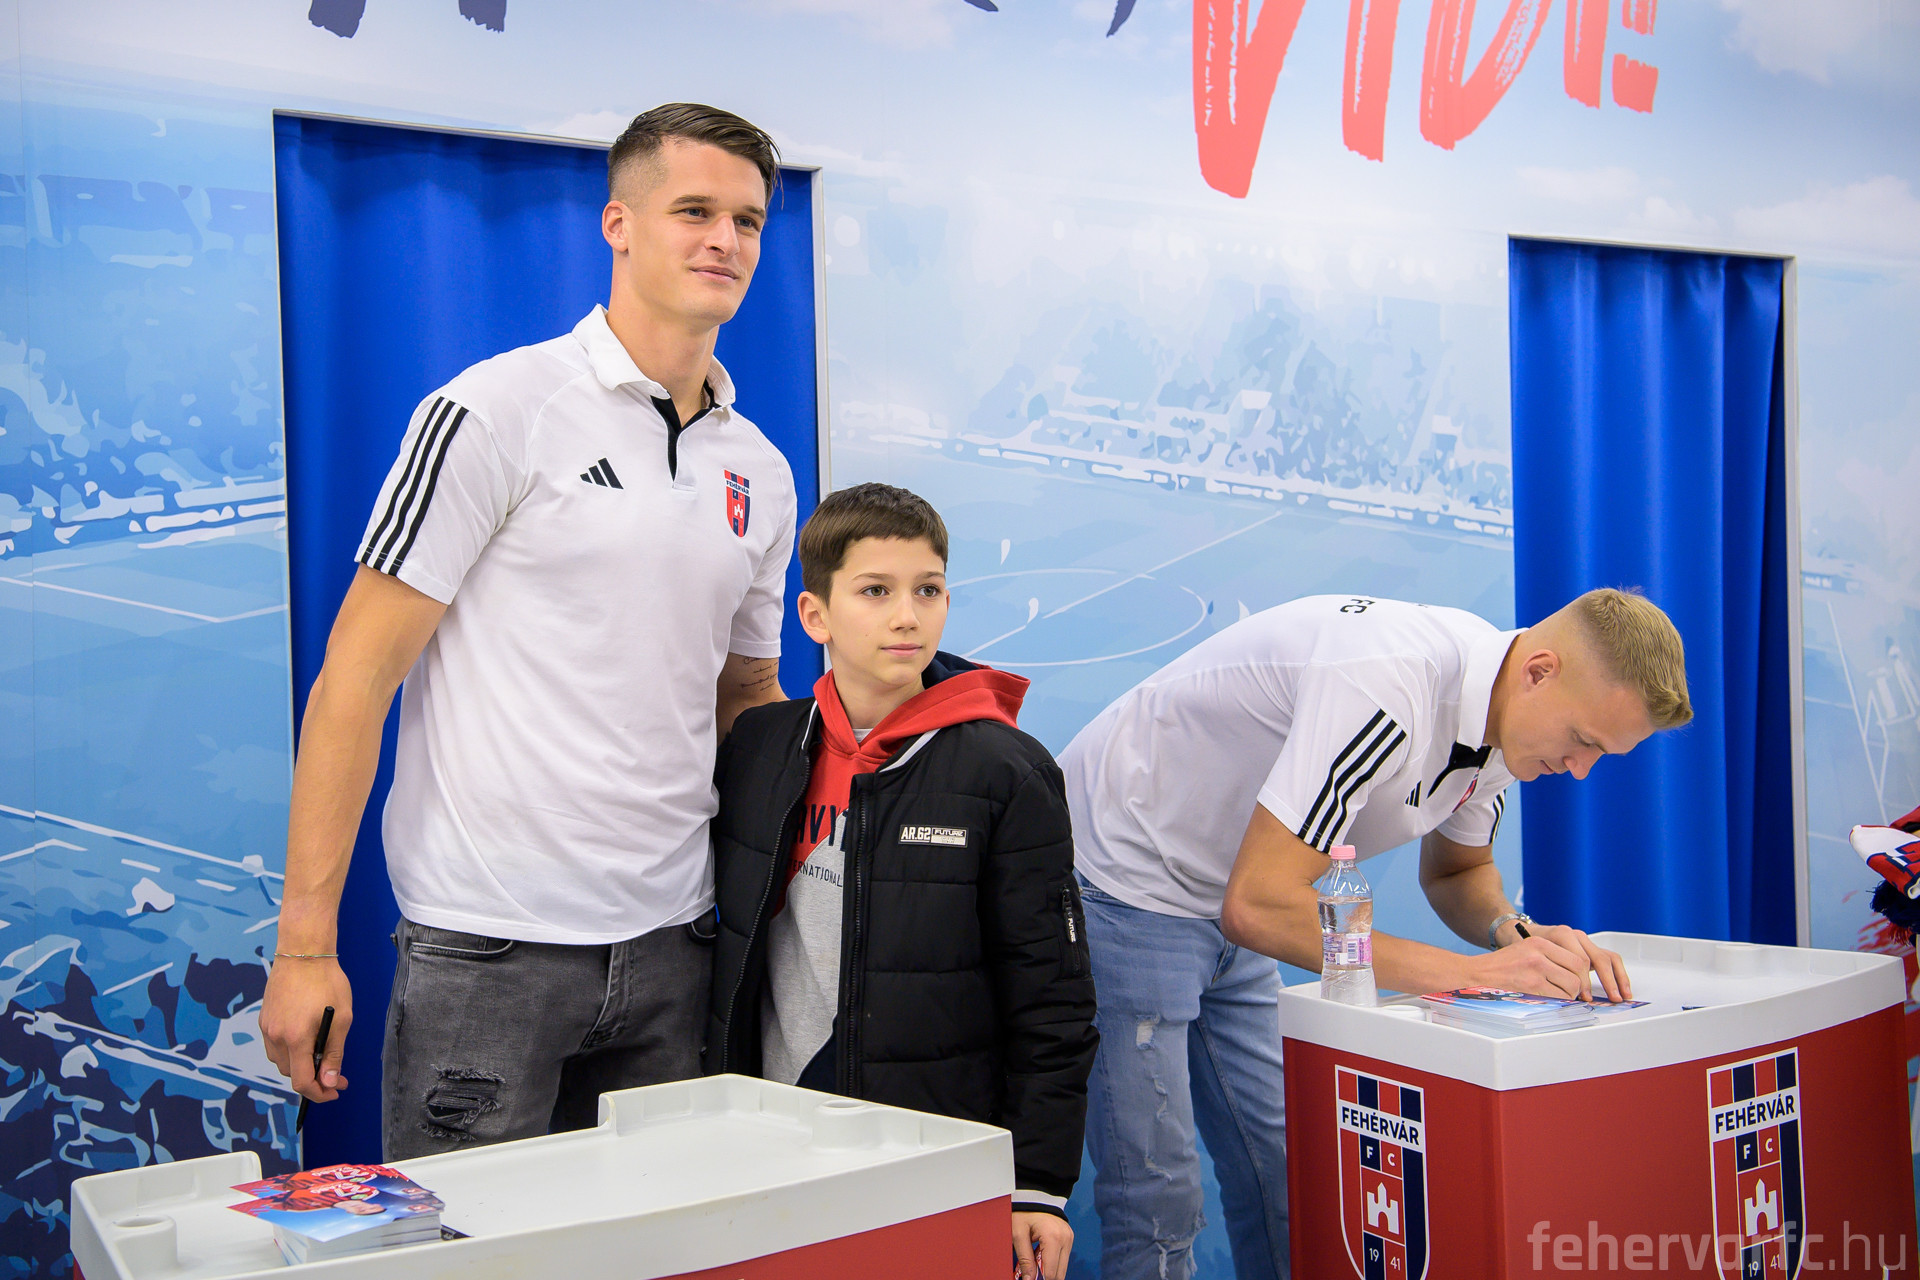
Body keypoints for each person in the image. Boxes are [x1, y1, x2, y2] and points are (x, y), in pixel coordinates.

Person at [258, 103, 797, 1158]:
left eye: (746, 220)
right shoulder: (495, 410)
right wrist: (305, 946)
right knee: (470, 1243)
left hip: (677, 944)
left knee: (654, 1240)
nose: (724, 240)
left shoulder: (761, 469)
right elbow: (355, 681)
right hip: (487, 947)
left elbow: (746, 698)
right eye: (694, 210)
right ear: (618, 224)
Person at [1060, 589, 1691, 1280]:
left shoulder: (1508, 719)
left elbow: (1459, 872)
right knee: (1158, 1199)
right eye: (1585, 740)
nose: (1581, 769)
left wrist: (1516, 937)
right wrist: (1475, 975)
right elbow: (1261, 906)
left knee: (1289, 1167)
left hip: (1232, 880)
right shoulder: (1386, 683)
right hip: (1125, 873)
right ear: (1539, 671)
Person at [706, 483, 1098, 1280]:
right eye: (875, 592)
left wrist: (1038, 1184)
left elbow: (1052, 998)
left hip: (930, 1153)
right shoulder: (760, 746)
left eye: (928, 591)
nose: (907, 616)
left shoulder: (1006, 772)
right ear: (815, 615)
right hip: (771, 1135)